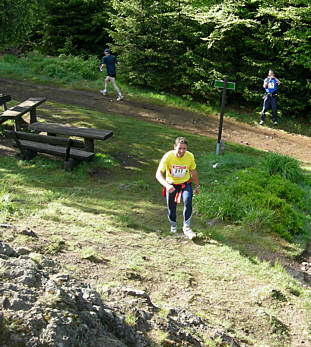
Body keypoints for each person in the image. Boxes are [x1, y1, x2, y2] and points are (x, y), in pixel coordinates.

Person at [155, 137, 200, 240]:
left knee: (188, 201)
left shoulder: (190, 156)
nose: (182, 151)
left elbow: (193, 172)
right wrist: (166, 185)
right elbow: (158, 174)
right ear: (175, 147)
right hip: (171, 185)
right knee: (171, 207)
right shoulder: (168, 156)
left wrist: (197, 186)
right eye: (179, 148)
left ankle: (187, 228)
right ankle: (173, 226)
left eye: (184, 149)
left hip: (185, 183)